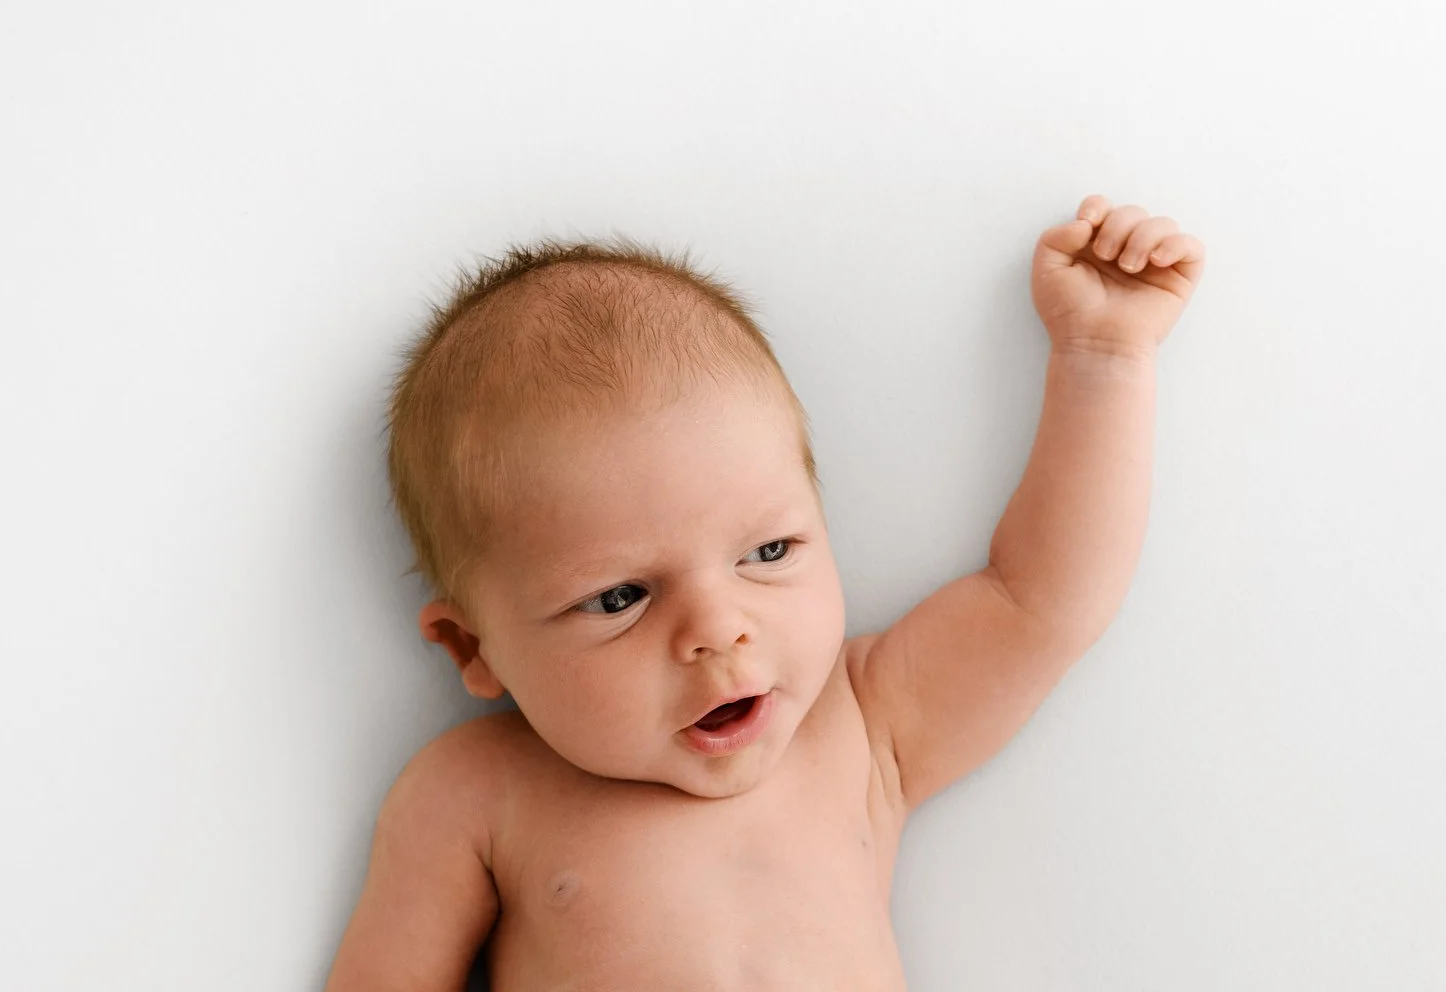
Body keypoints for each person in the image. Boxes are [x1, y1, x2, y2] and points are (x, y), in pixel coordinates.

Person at [324, 194, 1206, 990]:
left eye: (768, 550)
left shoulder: (862, 721)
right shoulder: (474, 793)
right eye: (619, 598)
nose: (719, 630)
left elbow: (1040, 600)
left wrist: (1104, 357)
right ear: (473, 648)